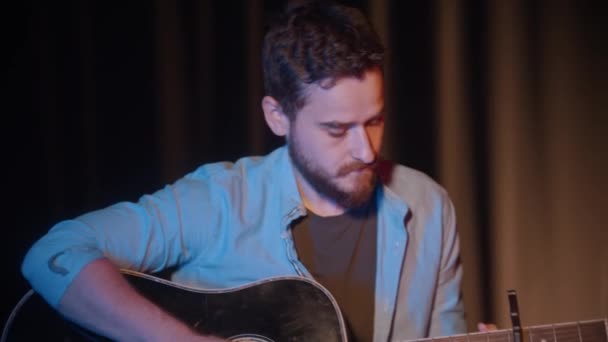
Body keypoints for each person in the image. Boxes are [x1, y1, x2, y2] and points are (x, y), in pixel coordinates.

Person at [21, 1, 467, 341]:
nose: (365, 150)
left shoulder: (428, 206)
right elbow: (53, 254)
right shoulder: (219, 199)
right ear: (277, 117)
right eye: (336, 129)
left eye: (374, 121)